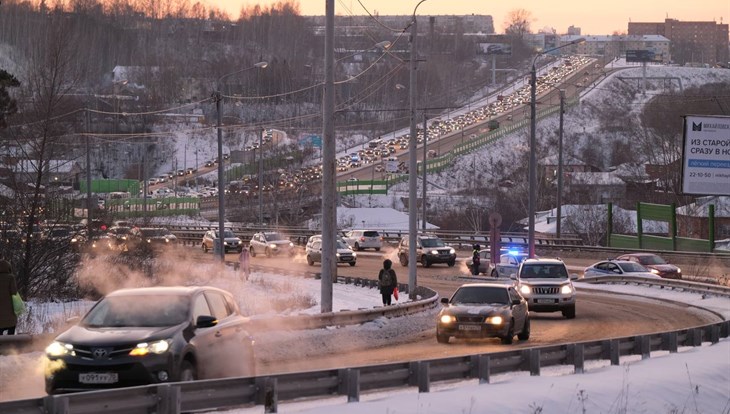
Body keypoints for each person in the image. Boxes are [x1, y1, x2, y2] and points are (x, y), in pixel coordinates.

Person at [0, 259, 18, 335]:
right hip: (9, 308)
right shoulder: (10, 277)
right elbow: (14, 292)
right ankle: (10, 345)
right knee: (11, 326)